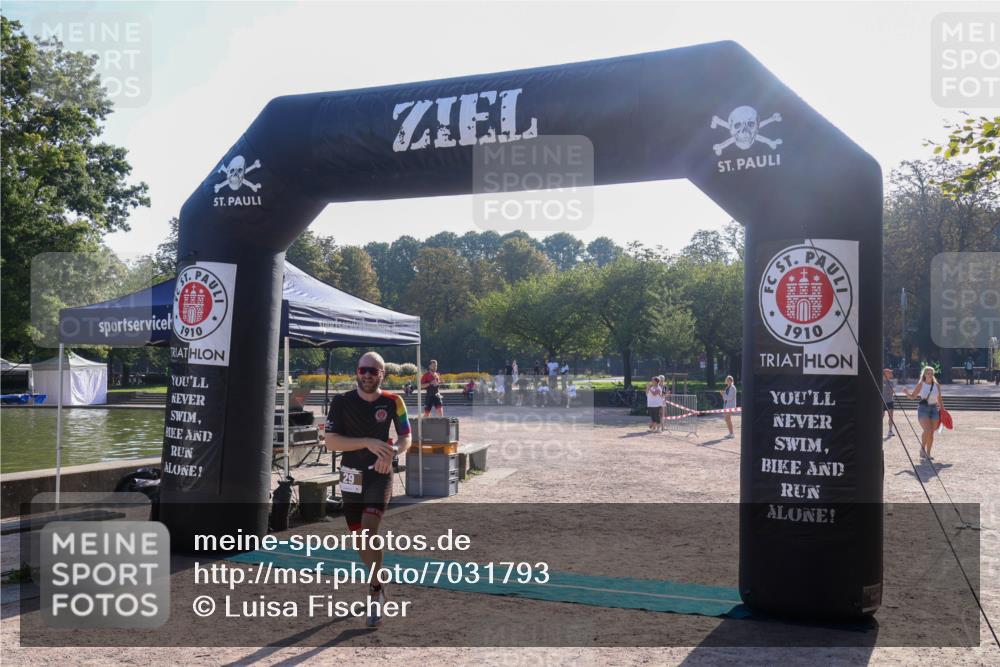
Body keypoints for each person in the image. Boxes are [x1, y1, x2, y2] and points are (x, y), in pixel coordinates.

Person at [324, 351, 411, 628]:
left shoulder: (394, 401)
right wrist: (366, 442)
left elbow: (406, 437)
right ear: (356, 372)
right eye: (363, 370)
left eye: (373, 371)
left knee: (370, 531)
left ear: (382, 374)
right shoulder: (341, 402)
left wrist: (392, 452)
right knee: (358, 538)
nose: (367, 375)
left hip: (379, 474)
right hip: (351, 475)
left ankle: (374, 589)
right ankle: (380, 580)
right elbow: (331, 442)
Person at [906, 365, 944, 461]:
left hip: (934, 409)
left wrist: (943, 409)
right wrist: (906, 393)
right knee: (927, 430)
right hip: (923, 409)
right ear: (924, 375)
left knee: (931, 433)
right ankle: (923, 449)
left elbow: (939, 398)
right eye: (928, 373)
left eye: (932, 373)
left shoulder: (936, 385)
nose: (930, 375)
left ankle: (928, 453)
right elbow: (913, 396)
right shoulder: (921, 384)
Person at [882, 368, 896, 437]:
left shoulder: (891, 382)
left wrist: (892, 391)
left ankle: (890, 430)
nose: (891, 374)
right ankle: (879, 430)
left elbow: (892, 392)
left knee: (891, 417)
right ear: (885, 373)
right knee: (881, 416)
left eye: (891, 372)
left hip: (890, 401)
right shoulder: (880, 381)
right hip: (882, 401)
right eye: (889, 372)